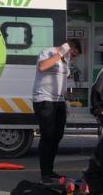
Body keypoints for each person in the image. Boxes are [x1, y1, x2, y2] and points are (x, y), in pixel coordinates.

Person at [33, 38, 81, 182]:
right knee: (47, 136)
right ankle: (45, 174)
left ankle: (50, 170)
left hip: (59, 101)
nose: (72, 57)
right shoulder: (48, 52)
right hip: (45, 100)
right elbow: (42, 67)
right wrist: (60, 52)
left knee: (57, 136)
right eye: (73, 54)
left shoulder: (65, 59)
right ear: (68, 48)